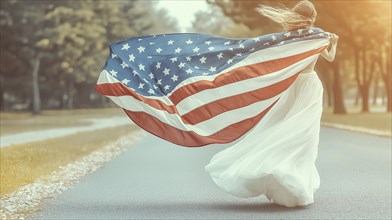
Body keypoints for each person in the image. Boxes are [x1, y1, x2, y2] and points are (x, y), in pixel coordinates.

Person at [204, 0, 339, 207]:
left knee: (283, 126)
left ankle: (282, 174)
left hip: (292, 85)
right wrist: (334, 42)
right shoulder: (317, 36)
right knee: (304, 133)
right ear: (312, 18)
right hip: (309, 86)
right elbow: (329, 58)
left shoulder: (289, 38)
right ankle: (289, 176)